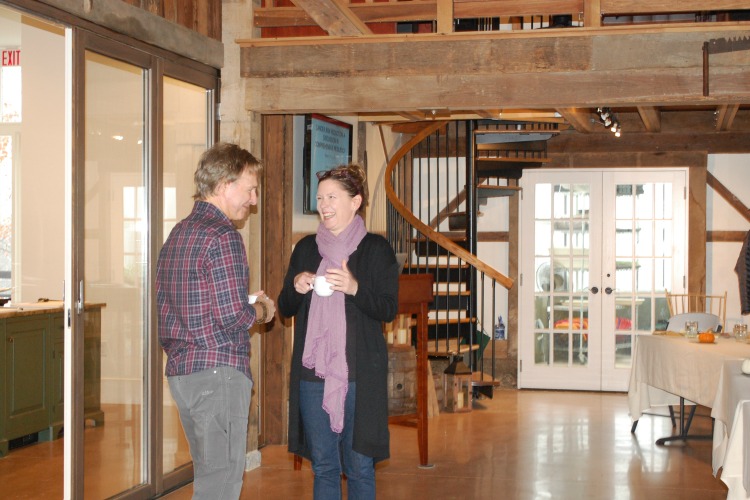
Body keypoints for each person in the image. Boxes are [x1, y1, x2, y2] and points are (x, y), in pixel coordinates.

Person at [156, 142, 275, 500]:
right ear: (225, 185)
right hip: (217, 373)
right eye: (250, 189)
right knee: (221, 483)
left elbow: (173, 305)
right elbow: (232, 317)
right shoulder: (224, 237)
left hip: (182, 373)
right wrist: (263, 309)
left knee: (209, 475)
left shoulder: (178, 233)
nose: (253, 200)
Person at [278, 164, 399, 500]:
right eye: (320, 198)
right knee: (325, 467)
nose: (324, 205)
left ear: (355, 201)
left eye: (332, 197)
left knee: (360, 468)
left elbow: (388, 309)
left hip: (360, 375)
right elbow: (284, 307)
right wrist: (296, 287)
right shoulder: (306, 249)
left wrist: (355, 287)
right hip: (313, 375)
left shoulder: (376, 250)